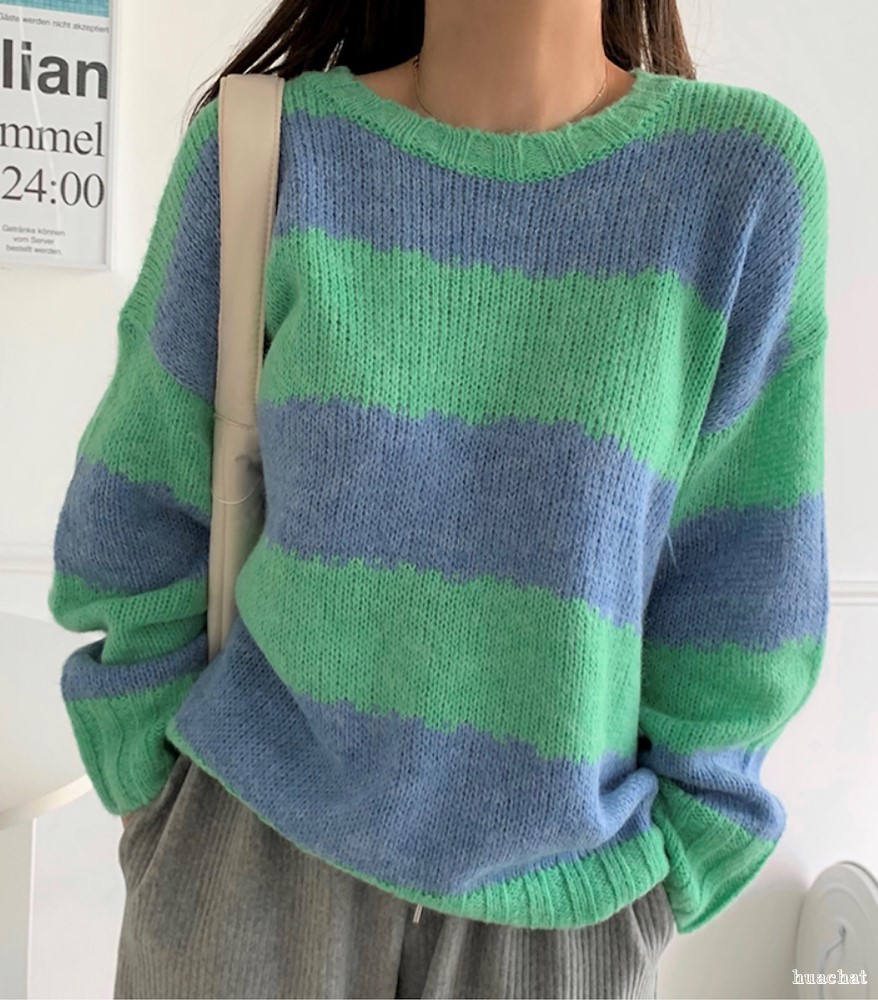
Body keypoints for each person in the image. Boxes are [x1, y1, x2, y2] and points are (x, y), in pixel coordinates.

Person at [47, 0, 831, 997]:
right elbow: (135, 512)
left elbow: (745, 591)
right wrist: (154, 800)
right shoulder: (273, 153)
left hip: (557, 925)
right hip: (244, 869)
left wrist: (671, 873)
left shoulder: (740, 186)